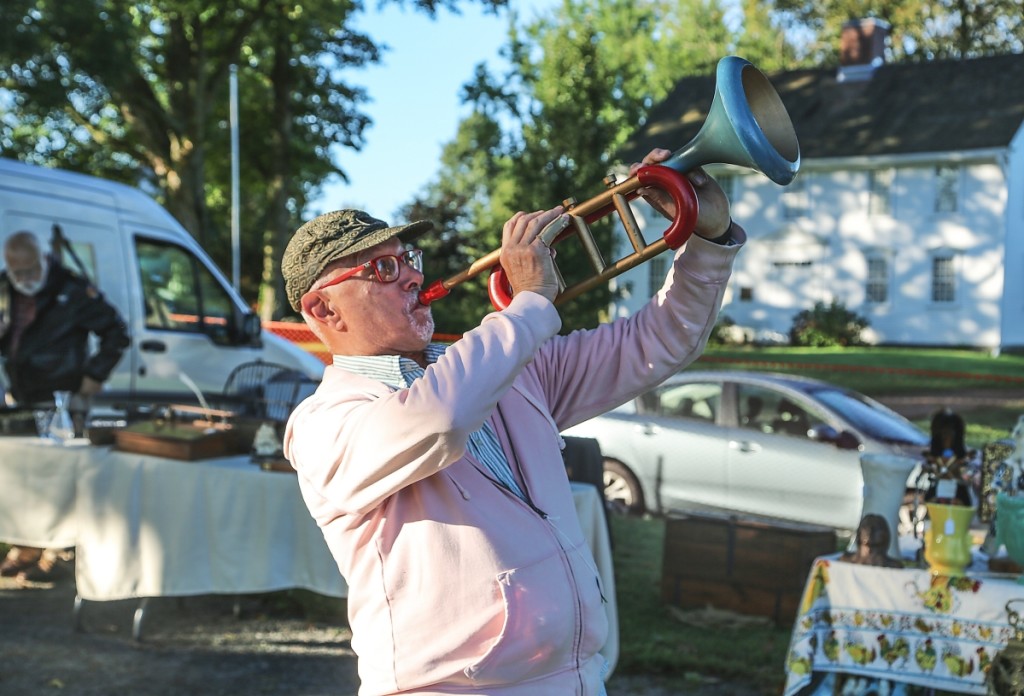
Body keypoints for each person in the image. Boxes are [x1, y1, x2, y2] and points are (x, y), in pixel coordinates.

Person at [281, 147, 743, 694]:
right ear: (324, 311)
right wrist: (527, 305)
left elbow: (660, 341)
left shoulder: (503, 367)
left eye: (409, 259)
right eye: (383, 269)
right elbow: (440, 419)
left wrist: (707, 242)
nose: (409, 277)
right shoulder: (321, 423)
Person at [0, 230, 129, 582]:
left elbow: (117, 332)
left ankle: (58, 553)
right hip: (23, 395)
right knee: (27, 475)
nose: (24, 280)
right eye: (17, 273)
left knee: (63, 476)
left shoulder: (72, 289)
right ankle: (28, 546)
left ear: (43, 259)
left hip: (65, 397)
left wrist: (92, 379)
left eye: (30, 271)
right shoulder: (4, 289)